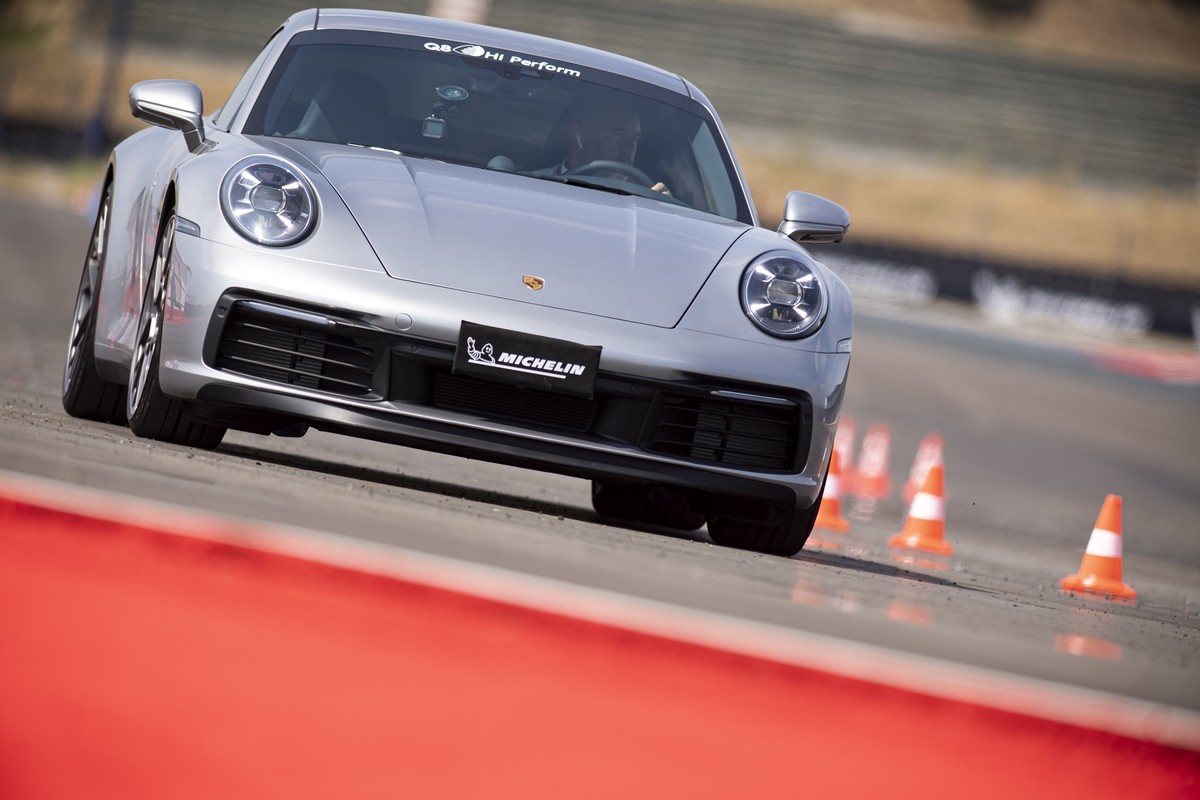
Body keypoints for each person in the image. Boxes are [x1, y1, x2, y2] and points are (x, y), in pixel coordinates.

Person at [535, 98, 669, 193]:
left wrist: (664, 206)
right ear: (576, 133)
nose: (630, 146)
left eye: (635, 138)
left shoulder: (646, 197)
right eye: (618, 133)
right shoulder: (534, 184)